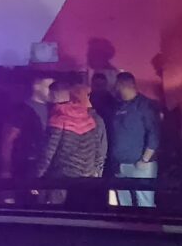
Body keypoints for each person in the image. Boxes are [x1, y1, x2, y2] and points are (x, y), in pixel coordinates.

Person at [35, 84, 107, 204]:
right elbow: (98, 150)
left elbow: (47, 154)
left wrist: (37, 177)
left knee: (60, 217)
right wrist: (96, 173)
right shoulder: (87, 117)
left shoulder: (58, 119)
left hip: (62, 180)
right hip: (86, 179)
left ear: (54, 96)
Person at [111, 72, 160, 207]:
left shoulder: (145, 105)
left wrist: (145, 159)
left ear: (121, 85)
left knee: (145, 204)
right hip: (121, 165)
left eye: (116, 84)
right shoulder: (118, 106)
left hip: (141, 165)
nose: (114, 87)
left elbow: (154, 134)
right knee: (124, 204)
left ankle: (147, 228)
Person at [0, 75, 54, 179]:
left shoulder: (53, 109)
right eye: (49, 87)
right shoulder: (21, 111)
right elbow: (8, 140)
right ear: (36, 86)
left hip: (45, 167)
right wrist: (6, 169)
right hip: (26, 166)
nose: (52, 91)